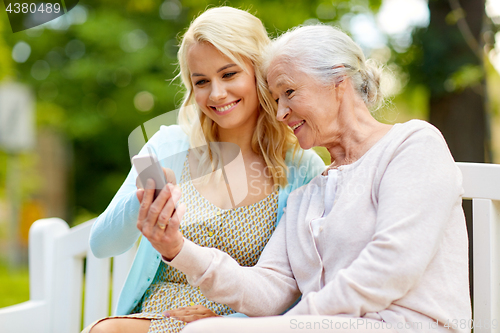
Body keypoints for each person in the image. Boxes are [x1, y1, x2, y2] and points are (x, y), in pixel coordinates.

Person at [141, 24, 472, 333]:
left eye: (289, 92)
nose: (280, 112)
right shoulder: (308, 193)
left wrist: (294, 322)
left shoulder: (412, 145)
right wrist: (176, 247)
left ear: (338, 81)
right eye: (275, 100)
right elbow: (269, 288)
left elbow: (392, 265)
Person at [83, 7, 325, 333]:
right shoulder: (168, 146)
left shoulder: (301, 168)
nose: (216, 94)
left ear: (259, 71)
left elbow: (299, 285)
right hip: (156, 317)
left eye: (228, 75)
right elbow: (102, 245)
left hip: (240, 326)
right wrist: (144, 202)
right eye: (201, 81)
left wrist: (227, 324)